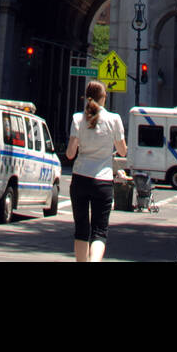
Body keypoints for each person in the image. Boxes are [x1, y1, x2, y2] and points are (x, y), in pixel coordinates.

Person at [66, 79, 127, 263]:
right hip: (103, 181)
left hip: (80, 178)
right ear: (104, 97)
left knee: (81, 228)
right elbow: (123, 151)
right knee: (99, 231)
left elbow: (70, 154)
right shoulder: (114, 119)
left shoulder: (78, 118)